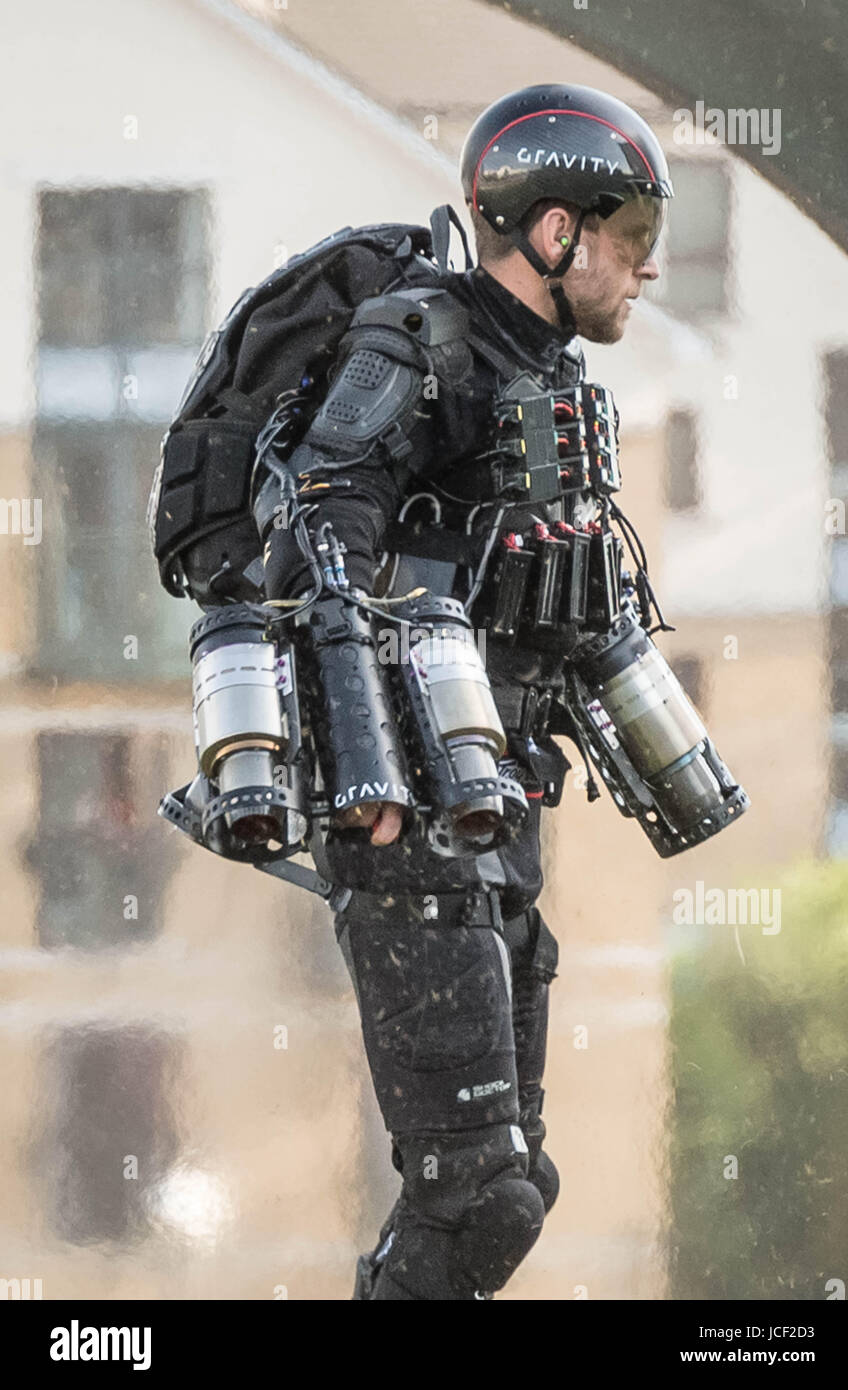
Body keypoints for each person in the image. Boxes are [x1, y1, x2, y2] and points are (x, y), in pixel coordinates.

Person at [253, 83, 673, 1300]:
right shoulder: (419, 340)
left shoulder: (535, 366)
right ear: (555, 231)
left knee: (513, 1186)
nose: (646, 272)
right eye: (632, 236)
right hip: (410, 821)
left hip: (494, 812)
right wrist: (369, 779)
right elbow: (315, 542)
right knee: (474, 1193)